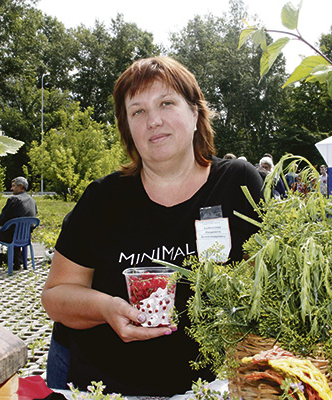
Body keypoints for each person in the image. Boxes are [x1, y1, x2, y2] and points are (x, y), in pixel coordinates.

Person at [41, 56, 264, 396]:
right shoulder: (103, 199)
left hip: (205, 387)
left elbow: (267, 285)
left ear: (195, 113)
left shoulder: (238, 184)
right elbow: (55, 296)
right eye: (138, 111)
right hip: (103, 386)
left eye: (166, 103)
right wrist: (105, 308)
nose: (153, 121)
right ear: (127, 127)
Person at [0, 177, 38, 269]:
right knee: (16, 229)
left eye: (13, 186)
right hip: (26, 236)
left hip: (11, 236)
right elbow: (34, 215)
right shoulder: (32, 201)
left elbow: (4, 216)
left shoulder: (13, 200)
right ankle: (17, 263)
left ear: (21, 186)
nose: (11, 189)